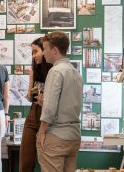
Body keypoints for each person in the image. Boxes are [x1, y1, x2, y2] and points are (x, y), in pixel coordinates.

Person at [36, 32, 83, 172]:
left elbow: (50, 108)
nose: (43, 53)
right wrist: (47, 102)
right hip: (73, 136)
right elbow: (68, 103)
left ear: (54, 50)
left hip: (56, 136)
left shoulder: (55, 71)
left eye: (45, 49)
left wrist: (42, 132)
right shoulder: (75, 72)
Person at [19, 38, 52, 172]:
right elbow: (30, 96)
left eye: (35, 51)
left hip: (49, 116)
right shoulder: (34, 69)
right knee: (25, 160)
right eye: (32, 52)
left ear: (44, 50)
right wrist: (31, 95)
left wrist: (45, 99)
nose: (33, 56)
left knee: (47, 161)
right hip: (34, 113)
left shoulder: (54, 70)